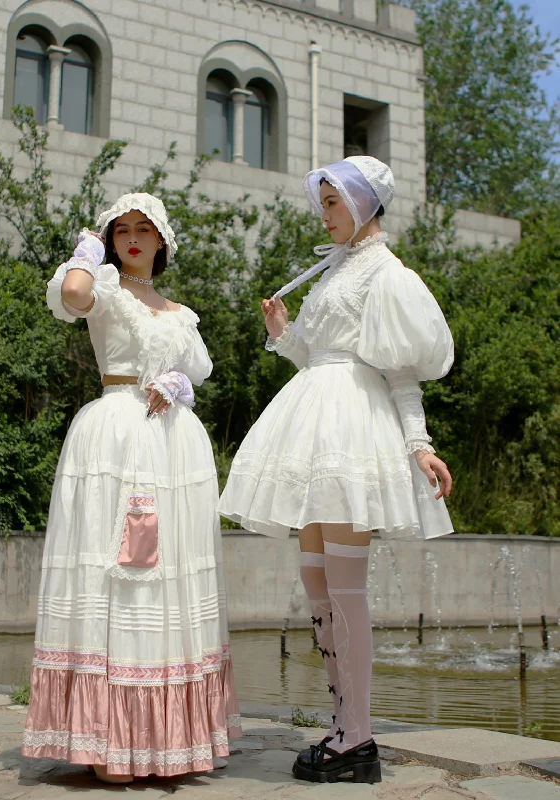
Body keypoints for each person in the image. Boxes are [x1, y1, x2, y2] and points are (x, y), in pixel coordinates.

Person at [218, 157, 454, 785]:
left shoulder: (386, 273)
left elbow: (399, 370)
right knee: (318, 585)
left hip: (352, 430)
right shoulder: (337, 269)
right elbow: (319, 359)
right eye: (321, 203)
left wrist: (419, 444)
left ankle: (360, 736)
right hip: (316, 419)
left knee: (346, 591)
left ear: (363, 203)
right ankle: (342, 724)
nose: (322, 214)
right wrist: (283, 333)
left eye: (331, 203)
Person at [22, 193, 241, 783]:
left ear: (163, 240)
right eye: (123, 231)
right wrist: (87, 253)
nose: (134, 239)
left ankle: (164, 739)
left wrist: (174, 383)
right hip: (116, 435)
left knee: (166, 581)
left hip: (174, 450)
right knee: (117, 575)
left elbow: (197, 371)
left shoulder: (182, 315)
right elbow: (71, 297)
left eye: (145, 230)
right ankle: (108, 741)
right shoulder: (106, 290)